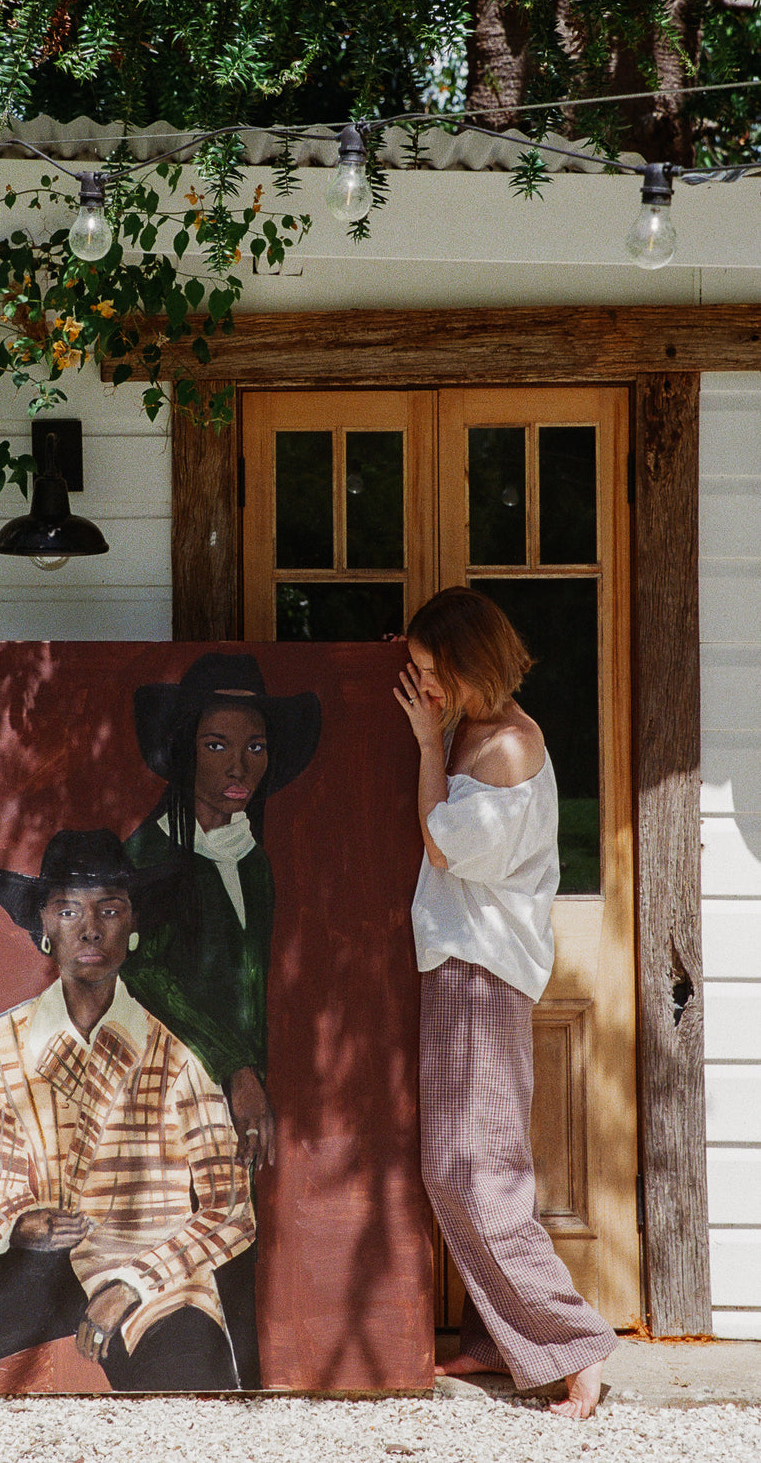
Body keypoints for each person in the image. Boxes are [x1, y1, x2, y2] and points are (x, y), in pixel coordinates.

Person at [0, 828, 257, 1396]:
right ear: (43, 925)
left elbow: (231, 1210)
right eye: (69, 910)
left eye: (111, 910)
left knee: (193, 1385)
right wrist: (23, 1223)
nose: (90, 929)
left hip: (154, 1266)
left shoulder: (177, 1054)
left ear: (134, 928)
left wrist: (131, 1284)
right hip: (48, 1264)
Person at [394, 587, 616, 1421]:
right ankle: (504, 1332)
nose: (422, 689)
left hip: (482, 972)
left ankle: (574, 1345)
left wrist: (425, 744)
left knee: (470, 1169)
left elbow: (443, 844)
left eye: (430, 673)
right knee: (472, 1163)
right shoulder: (480, 725)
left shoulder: (509, 750)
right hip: (464, 966)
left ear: (466, 668)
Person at [122, 652, 321, 1174]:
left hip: (242, 1109)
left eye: (255, 747)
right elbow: (142, 978)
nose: (239, 766)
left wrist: (250, 1080)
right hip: (163, 1104)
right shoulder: (149, 857)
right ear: (186, 752)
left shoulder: (252, 861)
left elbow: (248, 985)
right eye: (216, 746)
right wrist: (235, 1071)